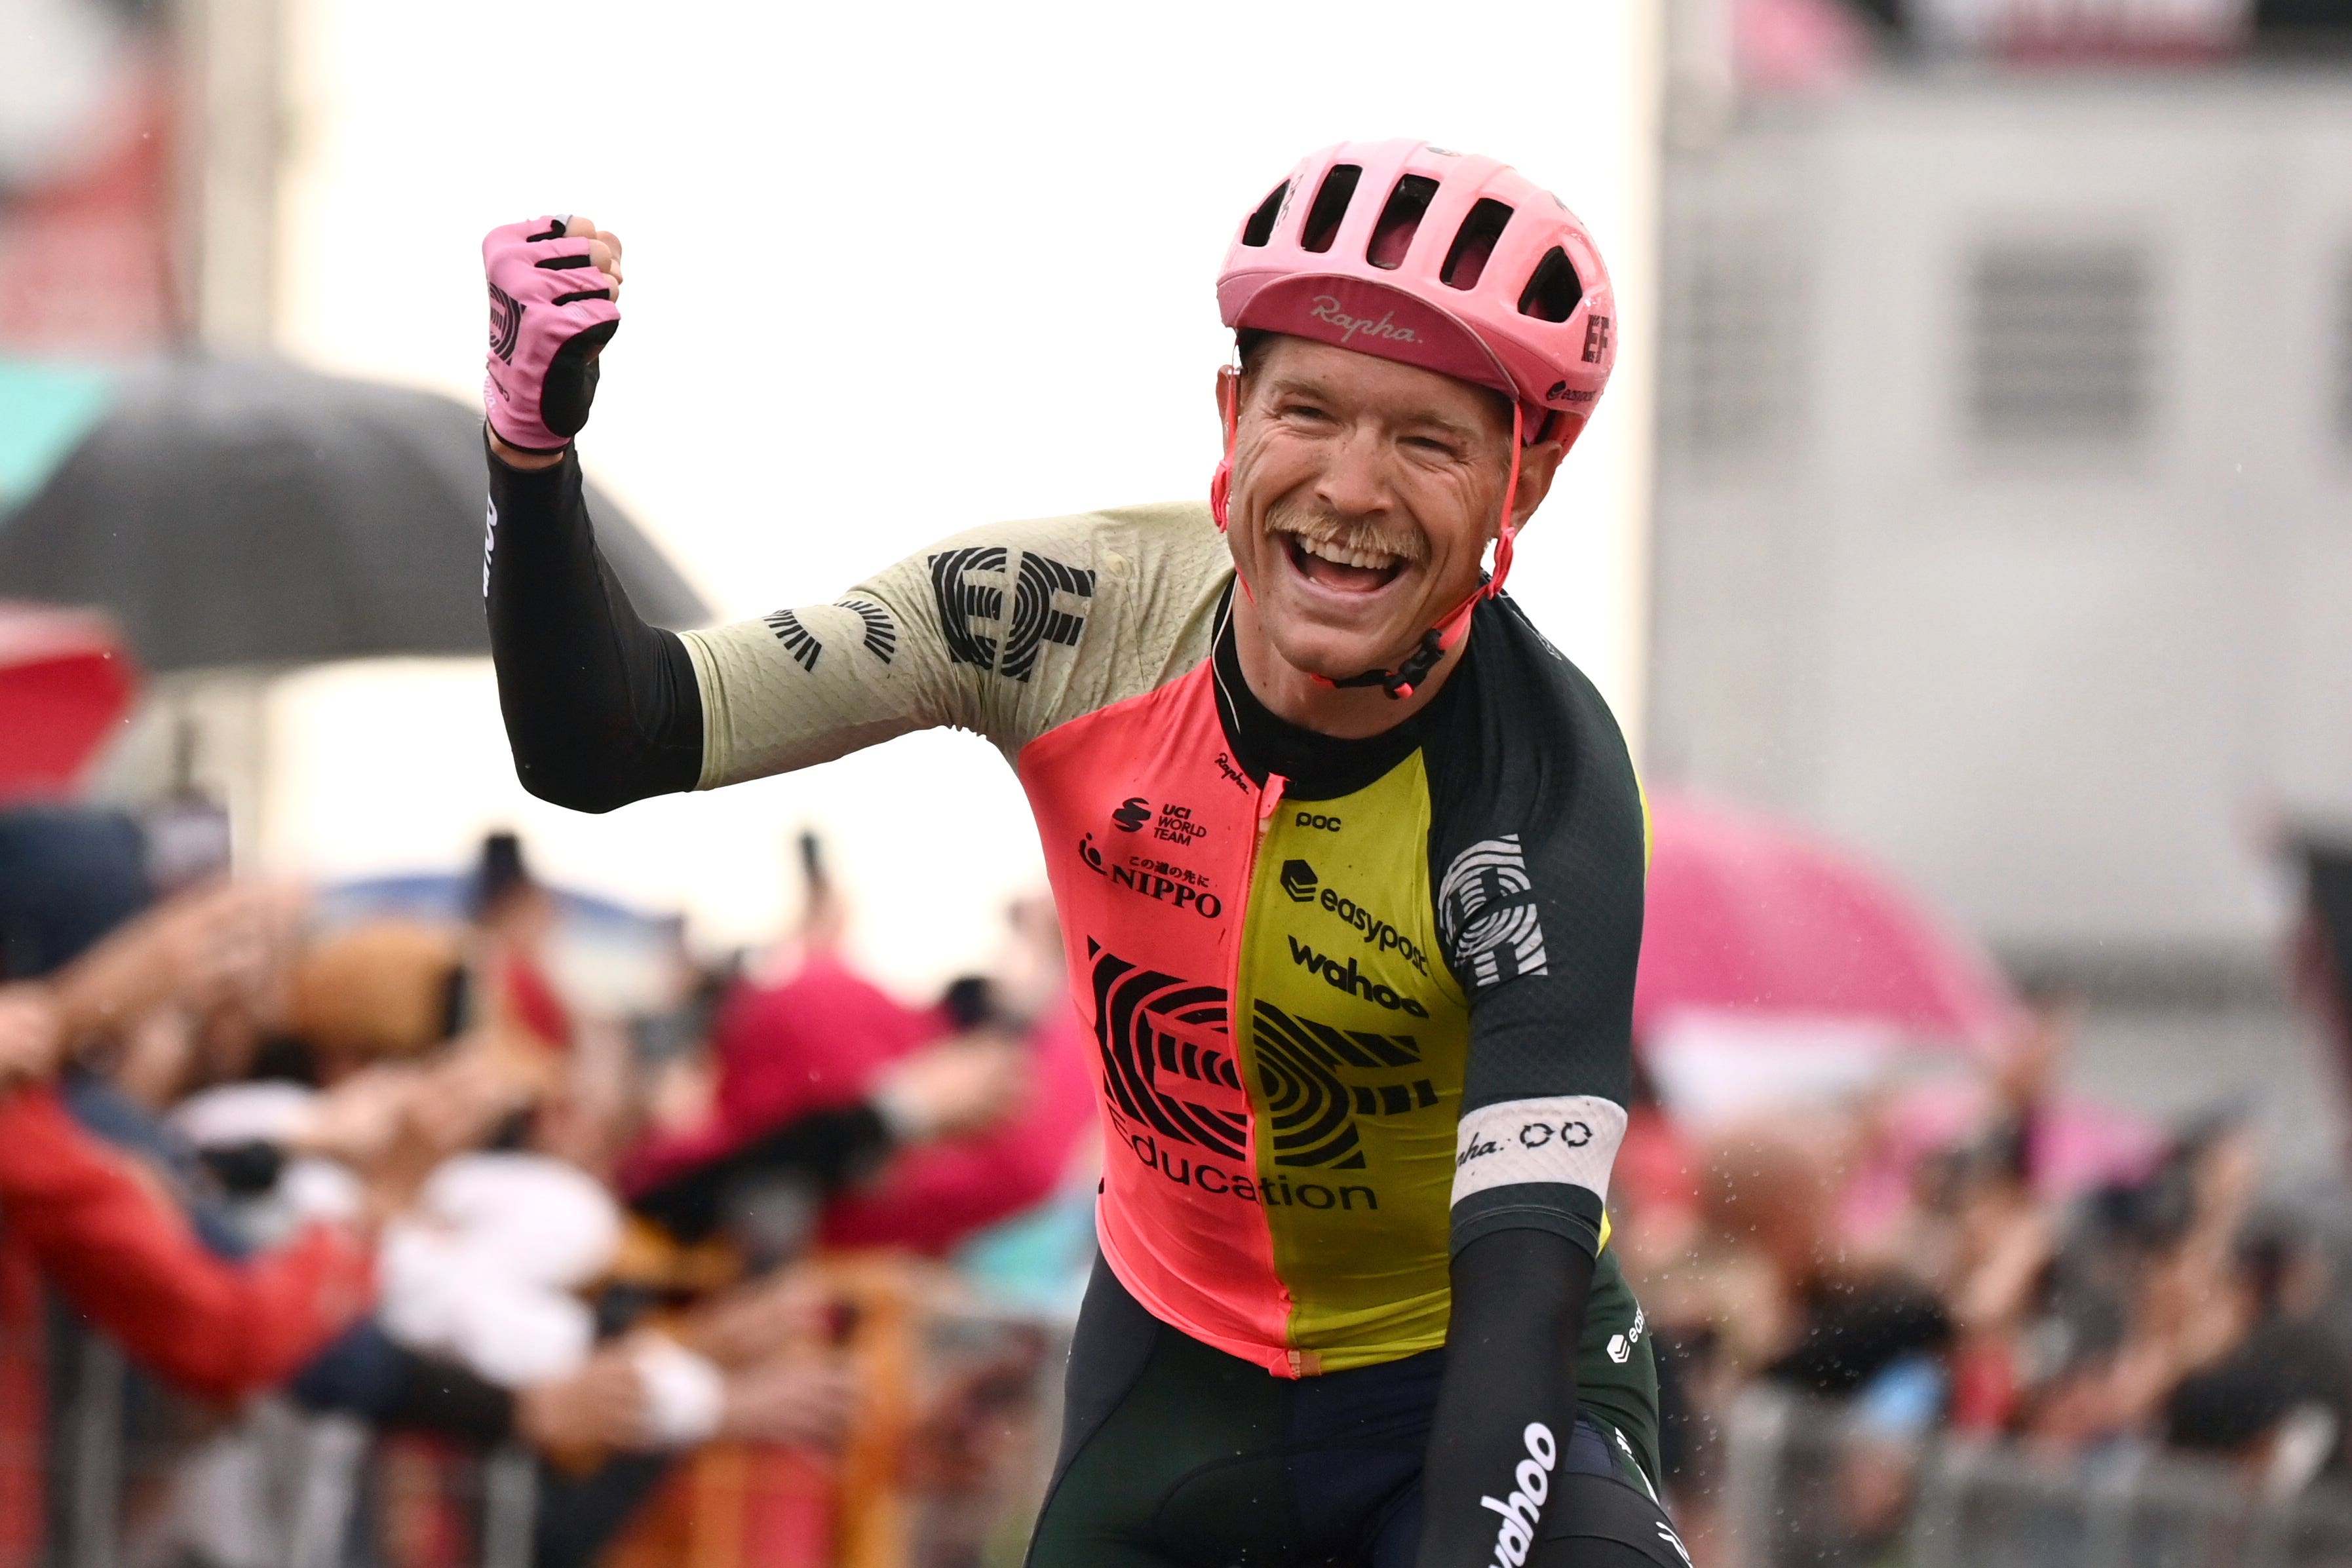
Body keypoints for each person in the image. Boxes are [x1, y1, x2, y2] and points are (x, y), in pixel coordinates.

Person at [476, 138, 1680, 1567]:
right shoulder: (1059, 614)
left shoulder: (1547, 796)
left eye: (1425, 441)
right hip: (1179, 1392)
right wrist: (531, 458)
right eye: (1309, 413)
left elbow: (1519, 1296)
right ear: (1232, 415)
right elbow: (604, 741)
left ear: (1519, 483)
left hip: (1474, 1383)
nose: (1351, 489)